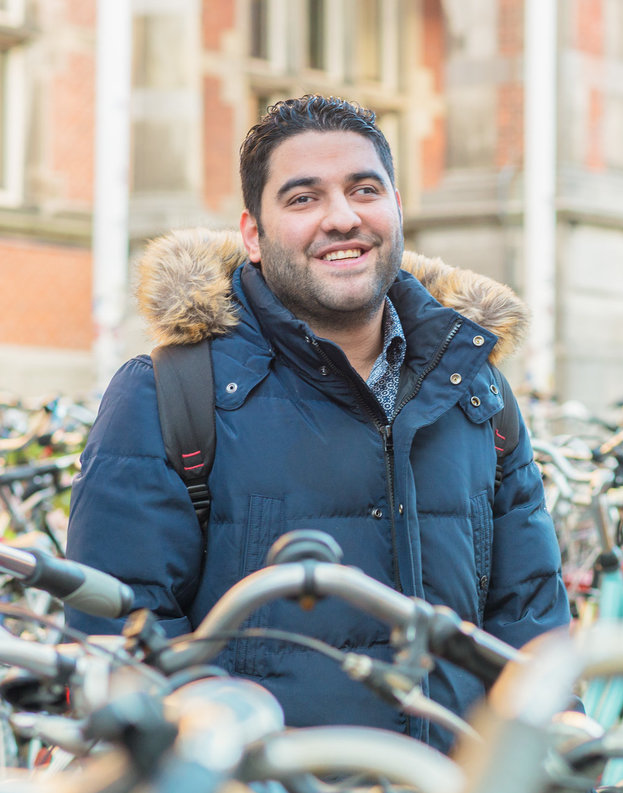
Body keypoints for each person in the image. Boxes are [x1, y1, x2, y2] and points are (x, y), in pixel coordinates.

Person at [65, 94, 571, 752]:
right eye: (303, 198)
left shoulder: (477, 390)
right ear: (253, 233)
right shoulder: (167, 393)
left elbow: (529, 615)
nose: (342, 217)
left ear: (395, 209)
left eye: (364, 189)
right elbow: (120, 636)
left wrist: (559, 733)